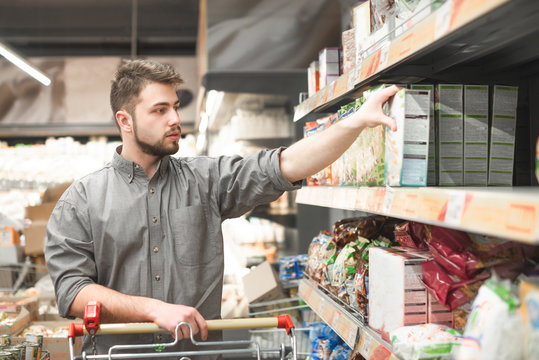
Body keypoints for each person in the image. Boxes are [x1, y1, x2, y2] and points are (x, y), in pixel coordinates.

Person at [45, 59, 398, 357]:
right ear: (125, 121)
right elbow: (72, 290)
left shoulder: (205, 181)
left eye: (175, 107)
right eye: (159, 109)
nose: (174, 119)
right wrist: (155, 310)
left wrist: (354, 122)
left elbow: (283, 165)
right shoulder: (81, 201)